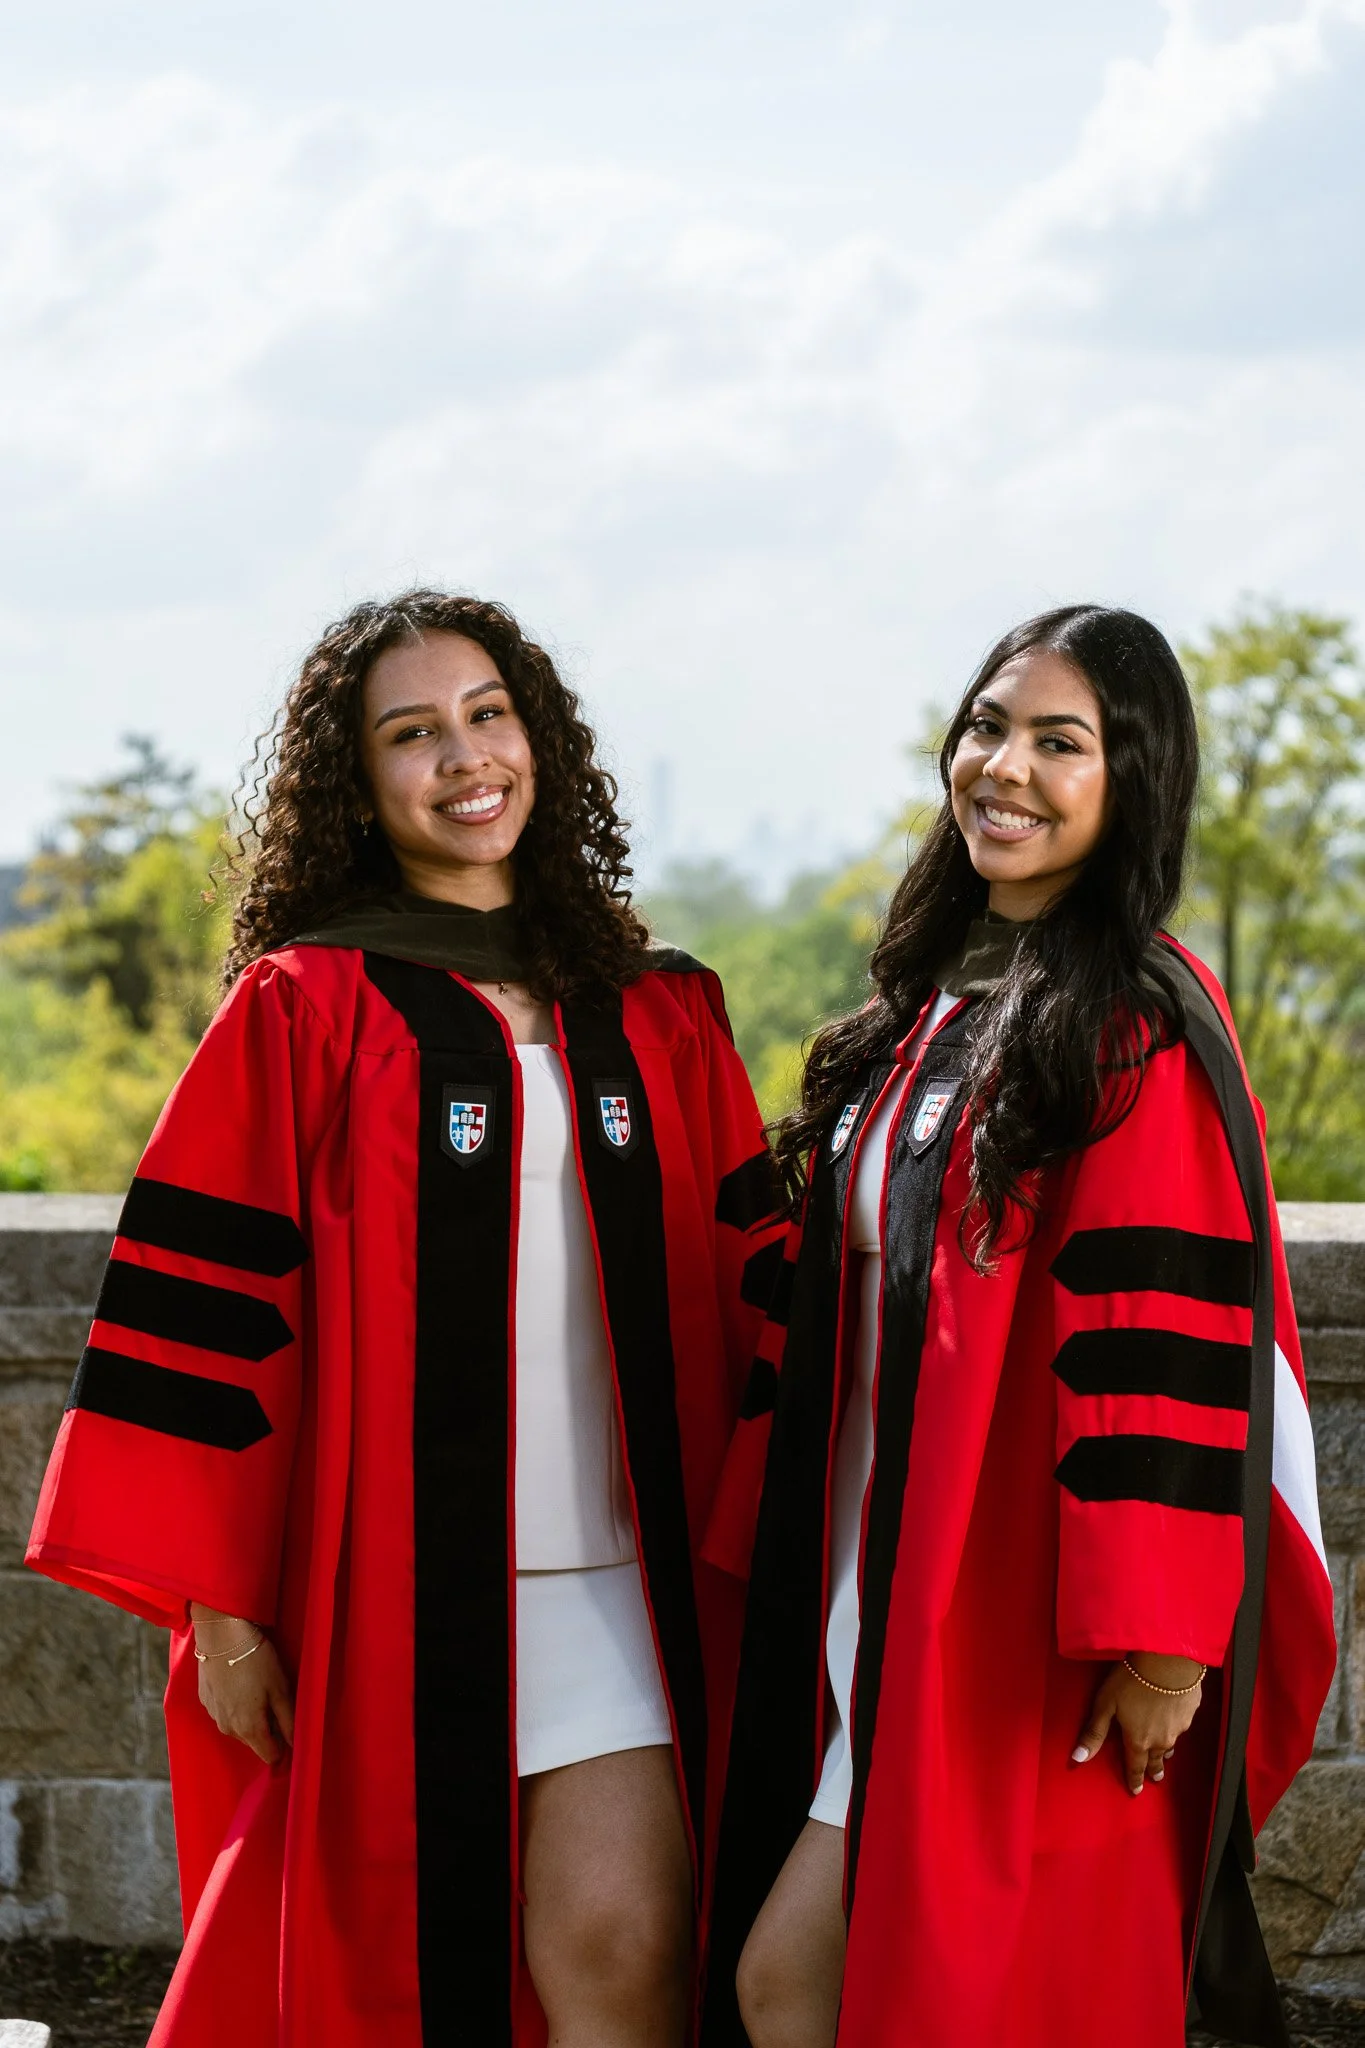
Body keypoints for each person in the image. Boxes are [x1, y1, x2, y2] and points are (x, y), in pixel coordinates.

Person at [27, 590, 783, 2048]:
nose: (464, 757)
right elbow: (208, 1306)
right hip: (391, 1590)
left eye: (488, 715)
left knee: (627, 1954)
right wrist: (225, 1605)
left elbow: (760, 1281)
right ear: (362, 786)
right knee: (385, 1979)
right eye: (413, 734)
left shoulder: (660, 1013)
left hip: (621, 1583)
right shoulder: (307, 1008)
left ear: (538, 737)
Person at [700, 605, 1336, 2048]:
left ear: (1133, 782)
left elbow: (1167, 1342)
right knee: (811, 1987)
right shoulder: (934, 1004)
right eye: (989, 727)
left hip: (1011, 1619)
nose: (1008, 767)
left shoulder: (1134, 1026)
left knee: (873, 1987)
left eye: (1063, 742)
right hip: (883, 1581)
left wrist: (1164, 1644)